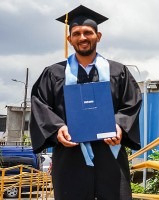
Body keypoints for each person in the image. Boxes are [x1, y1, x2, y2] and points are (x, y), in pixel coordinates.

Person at [29, 5, 142, 200]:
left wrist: (120, 125)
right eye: (77, 33)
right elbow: (40, 105)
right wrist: (57, 129)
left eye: (88, 32)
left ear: (98, 36)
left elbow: (131, 103)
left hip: (110, 157)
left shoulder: (118, 72)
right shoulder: (53, 73)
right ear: (69, 39)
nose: (82, 37)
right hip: (69, 158)